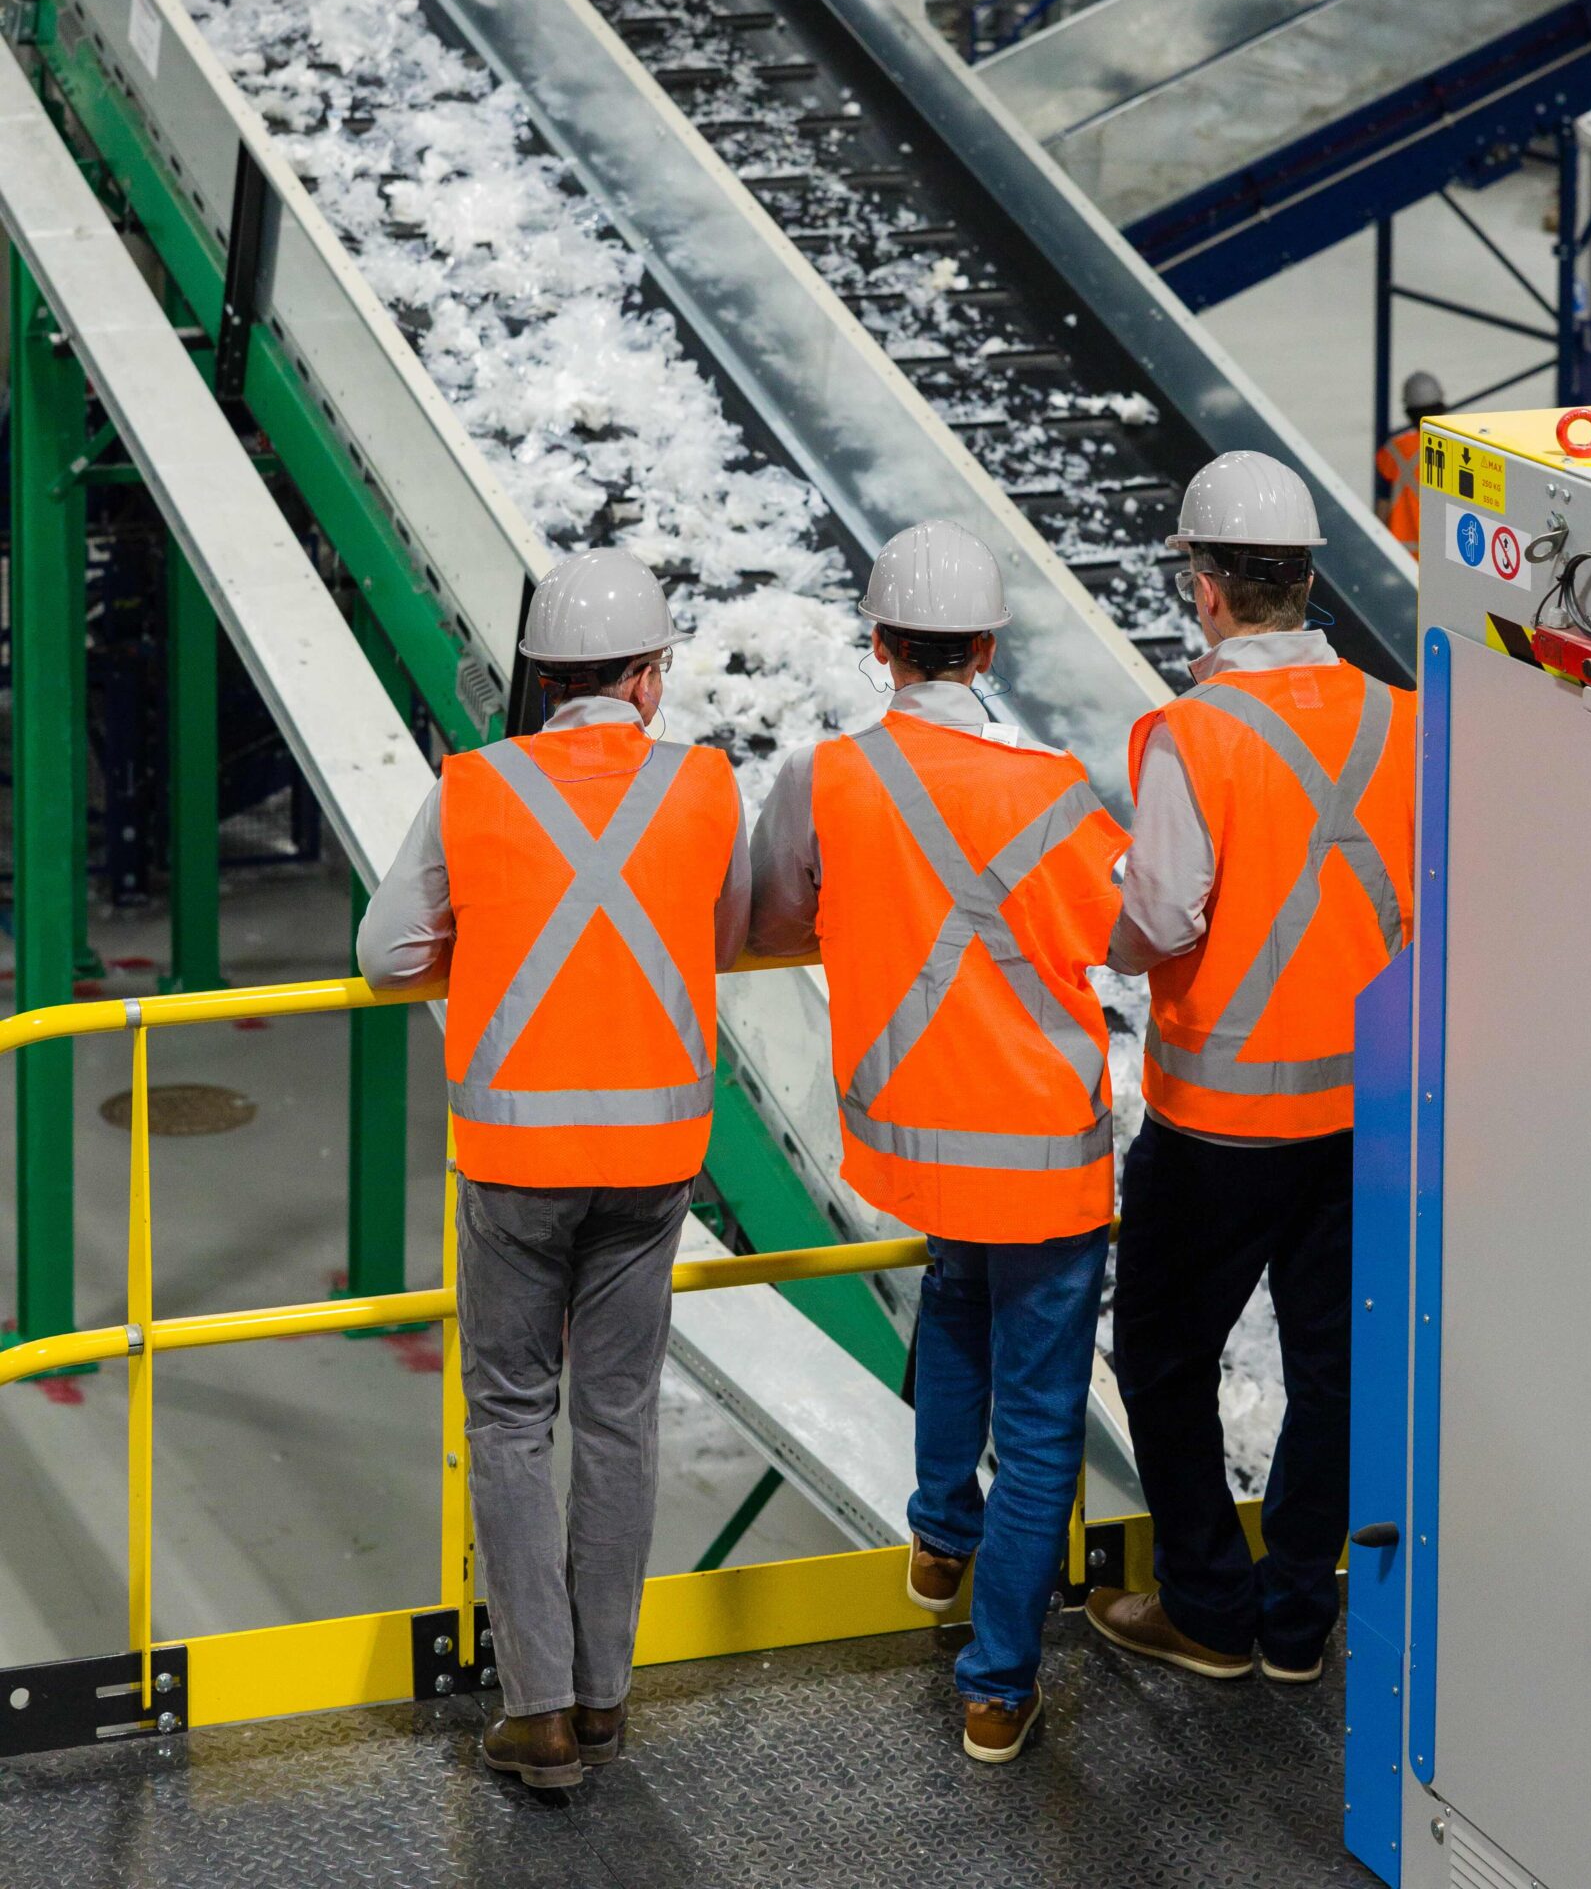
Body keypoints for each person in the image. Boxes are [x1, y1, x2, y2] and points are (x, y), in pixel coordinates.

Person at [358, 549, 749, 1791]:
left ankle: (534, 1711)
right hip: (652, 1163)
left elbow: (385, 956)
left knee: (514, 1417)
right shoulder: (704, 787)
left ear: (541, 677)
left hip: (518, 1163)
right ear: (644, 678)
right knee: (620, 1416)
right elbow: (722, 935)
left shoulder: (472, 787)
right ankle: (606, 1696)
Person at [748, 520, 1128, 1767]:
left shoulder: (826, 775)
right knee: (1039, 1424)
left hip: (920, 1135)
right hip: (1041, 1147)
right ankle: (995, 1684)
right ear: (988, 648)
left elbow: (789, 906)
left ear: (880, 645)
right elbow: (1124, 940)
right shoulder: (1056, 792)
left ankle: (935, 1536)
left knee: (952, 1298)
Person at [1088, 452, 1415, 1686]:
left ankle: (1210, 1611)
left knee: (1163, 1356)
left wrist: (1105, 935)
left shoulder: (1195, 732)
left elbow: (1163, 918)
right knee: (1336, 1362)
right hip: (1365, 1113)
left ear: (1207, 590)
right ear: (1307, 578)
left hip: (1220, 1123)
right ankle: (1297, 1616)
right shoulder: (1401, 714)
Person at [1374, 368, 1445, 557]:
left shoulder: (1394, 450)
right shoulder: (1455, 446)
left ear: (1408, 411)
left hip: (1402, 554)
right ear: (1441, 406)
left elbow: (1383, 503)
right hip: (1442, 553)